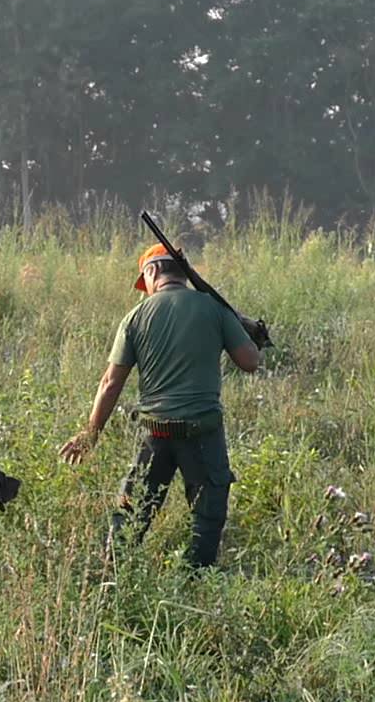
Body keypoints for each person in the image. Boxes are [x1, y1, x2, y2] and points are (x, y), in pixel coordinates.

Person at [59, 243, 263, 567]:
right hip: (203, 435)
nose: (145, 292)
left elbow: (110, 383)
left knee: (131, 516)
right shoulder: (213, 307)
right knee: (207, 520)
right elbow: (250, 362)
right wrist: (249, 334)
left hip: (155, 436)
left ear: (152, 272)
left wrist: (90, 435)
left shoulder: (135, 318)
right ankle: (197, 582)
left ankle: (114, 581)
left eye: (145, 282)